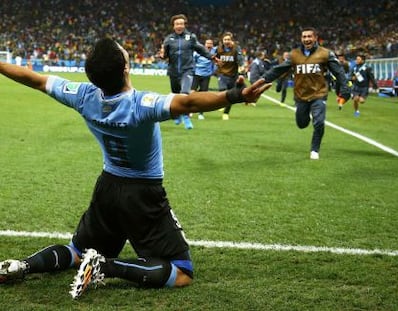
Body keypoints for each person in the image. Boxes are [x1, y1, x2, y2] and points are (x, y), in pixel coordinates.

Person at [0, 38, 271, 299]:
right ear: (126, 67)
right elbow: (189, 102)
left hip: (107, 188)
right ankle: (105, 267)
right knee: (181, 271)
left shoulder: (82, 96)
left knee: (76, 251)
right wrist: (235, 95)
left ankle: (23, 266)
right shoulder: (142, 105)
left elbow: (33, 79)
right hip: (142, 194)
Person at [262, 27, 351, 160]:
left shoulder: (326, 54)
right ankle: (307, 116)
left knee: (319, 122)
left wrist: (344, 90)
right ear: (301, 39)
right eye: (304, 37)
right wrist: (262, 80)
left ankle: (315, 150)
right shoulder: (294, 55)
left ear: (315, 38)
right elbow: (278, 70)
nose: (307, 39)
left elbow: (339, 73)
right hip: (301, 96)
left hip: (318, 94)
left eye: (309, 36)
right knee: (302, 124)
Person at [160, 14, 214, 129]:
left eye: (181, 23)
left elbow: (200, 49)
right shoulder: (169, 39)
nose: (179, 26)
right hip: (173, 71)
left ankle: (186, 117)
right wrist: (162, 55)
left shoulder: (191, 37)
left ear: (184, 25)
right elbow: (164, 54)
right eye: (177, 24)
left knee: (185, 93)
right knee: (175, 95)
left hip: (187, 70)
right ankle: (177, 115)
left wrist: (211, 57)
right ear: (173, 26)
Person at [214, 32, 245, 120]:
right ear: (222, 41)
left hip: (233, 75)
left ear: (232, 40)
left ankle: (226, 113)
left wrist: (241, 71)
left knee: (231, 95)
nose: (227, 41)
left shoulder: (236, 49)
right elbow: (213, 57)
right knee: (222, 90)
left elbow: (240, 60)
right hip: (222, 74)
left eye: (228, 39)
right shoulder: (218, 49)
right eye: (225, 39)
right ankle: (221, 104)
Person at [191, 38, 216, 120]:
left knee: (203, 95)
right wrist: (193, 71)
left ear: (212, 45)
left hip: (206, 76)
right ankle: (190, 110)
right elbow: (193, 62)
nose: (209, 45)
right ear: (205, 44)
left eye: (210, 43)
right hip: (197, 74)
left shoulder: (214, 53)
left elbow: (214, 64)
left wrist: (212, 72)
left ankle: (200, 113)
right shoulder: (198, 52)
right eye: (207, 43)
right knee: (192, 93)